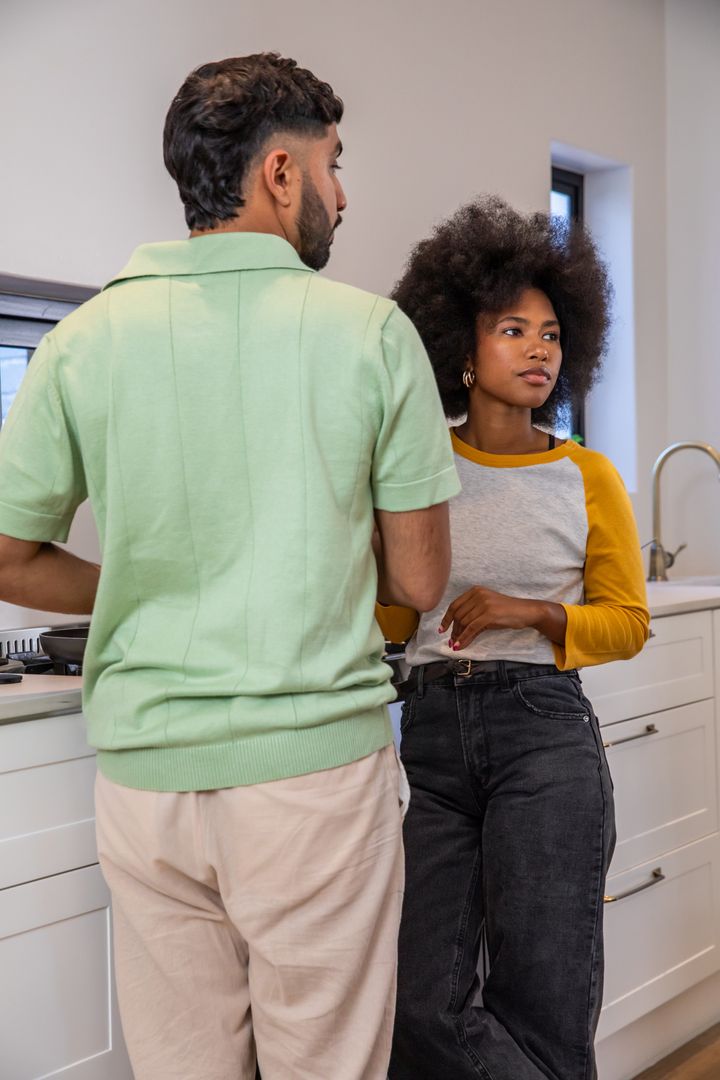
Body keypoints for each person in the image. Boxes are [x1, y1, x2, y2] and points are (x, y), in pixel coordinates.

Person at [0, 54, 459, 1080]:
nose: (344, 191)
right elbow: (422, 582)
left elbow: (7, 554)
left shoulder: (84, 339)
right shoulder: (371, 334)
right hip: (313, 778)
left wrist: (133, 586)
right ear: (281, 174)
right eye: (335, 165)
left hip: (146, 782)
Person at [378, 196, 650, 1080]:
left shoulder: (586, 475)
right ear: (462, 350)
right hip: (428, 738)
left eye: (551, 335)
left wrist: (526, 611)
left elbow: (628, 622)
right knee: (416, 1003)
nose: (539, 349)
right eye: (512, 329)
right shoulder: (416, 467)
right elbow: (391, 622)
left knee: (546, 1002)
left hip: (544, 733)